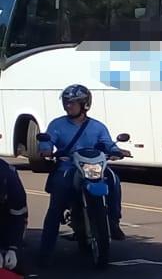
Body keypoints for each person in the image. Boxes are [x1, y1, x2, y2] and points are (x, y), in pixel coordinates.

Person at [39, 84, 126, 262]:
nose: (68, 106)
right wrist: (46, 149)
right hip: (68, 167)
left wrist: (117, 150)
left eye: (73, 102)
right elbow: (47, 142)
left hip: (93, 167)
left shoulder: (97, 126)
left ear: (85, 104)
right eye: (66, 102)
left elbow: (108, 143)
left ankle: (114, 221)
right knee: (56, 204)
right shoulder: (57, 124)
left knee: (114, 179)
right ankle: (45, 250)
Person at [0, 154, 35, 279]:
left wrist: (12, 248)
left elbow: (19, 218)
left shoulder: (9, 176)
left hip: (3, 220)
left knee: (13, 262)